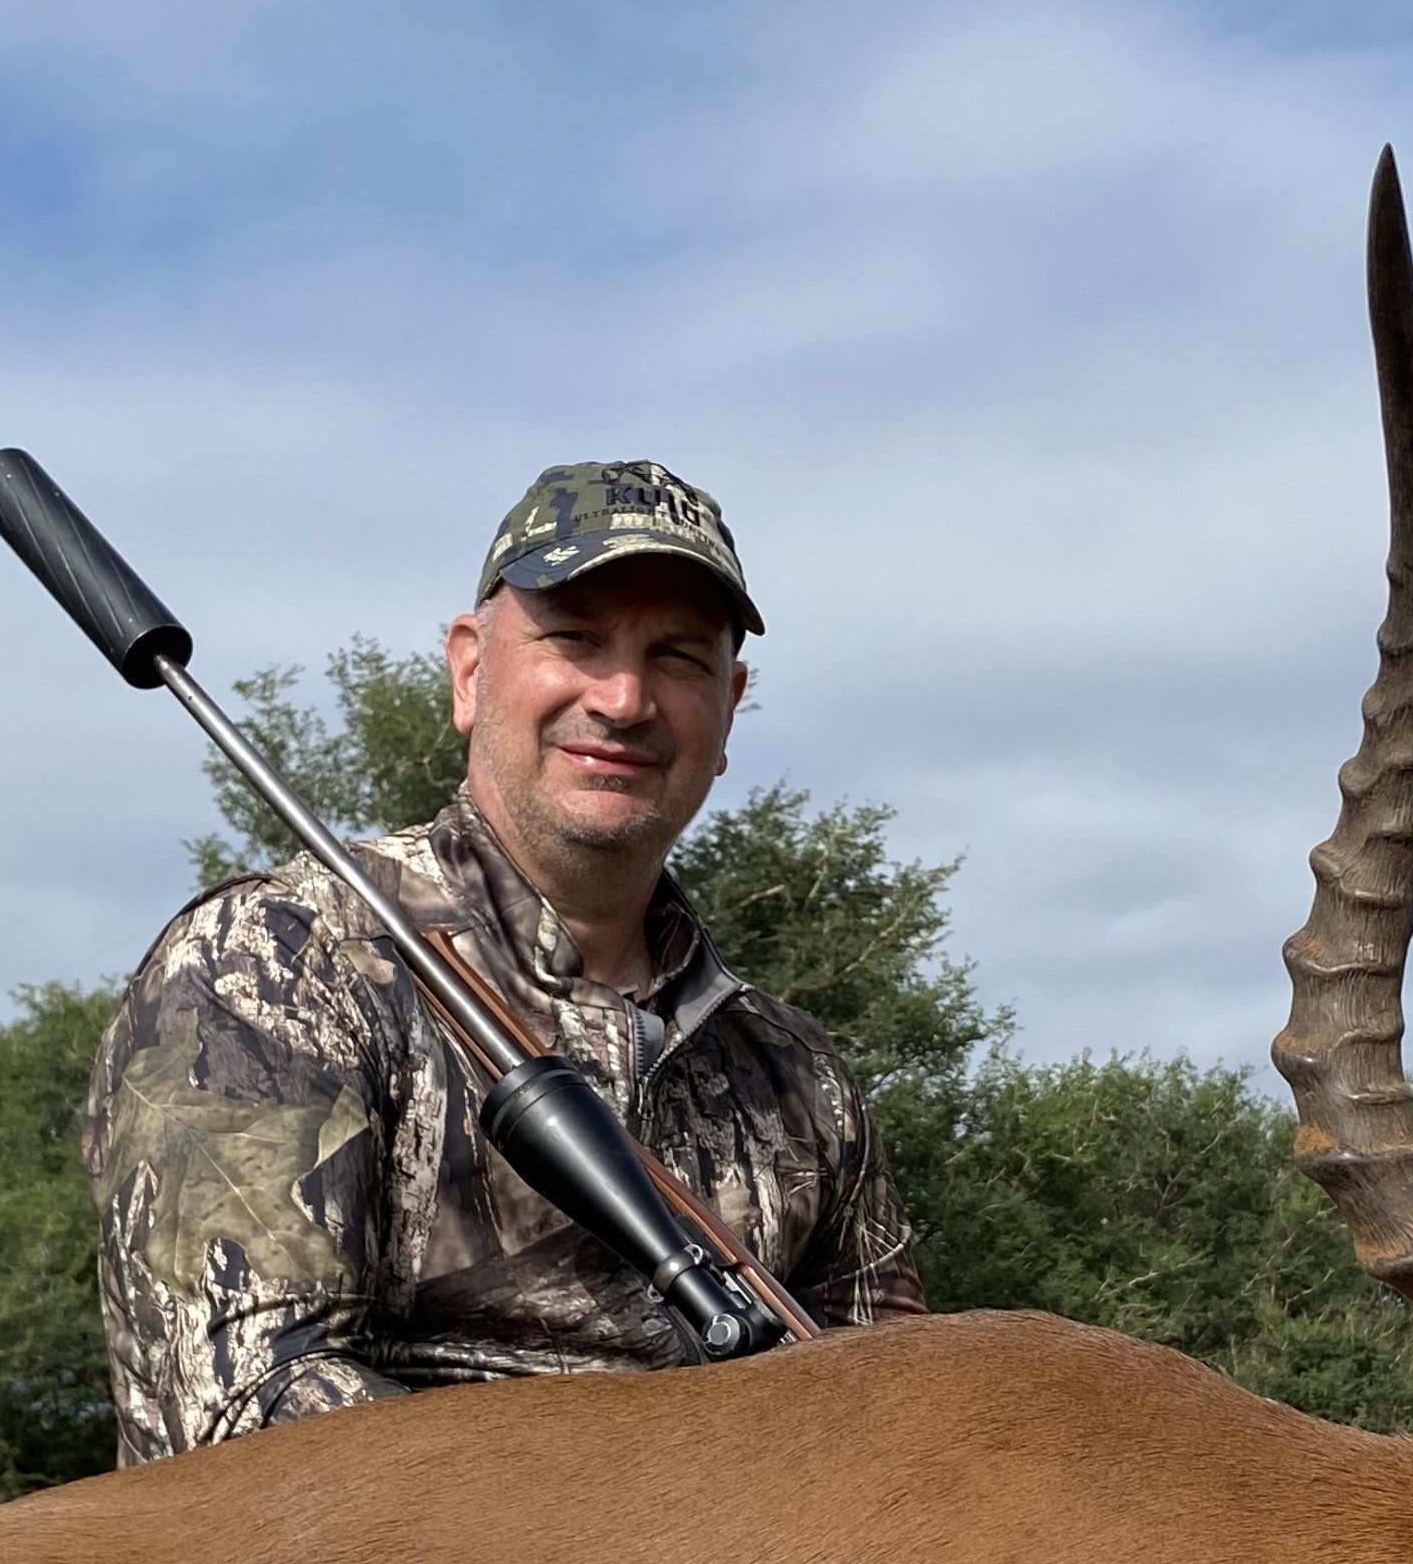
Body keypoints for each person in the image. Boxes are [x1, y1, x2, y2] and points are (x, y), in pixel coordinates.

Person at [83, 459, 924, 1459]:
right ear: (471, 670)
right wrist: (667, 1533)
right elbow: (245, 1425)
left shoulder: (799, 1078)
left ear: (732, 705)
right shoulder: (272, 964)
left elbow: (894, 1448)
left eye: (680, 658)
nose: (623, 699)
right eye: (576, 640)